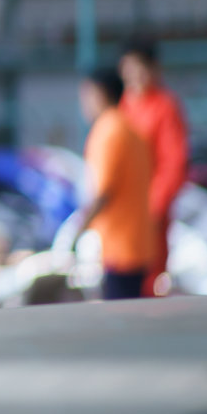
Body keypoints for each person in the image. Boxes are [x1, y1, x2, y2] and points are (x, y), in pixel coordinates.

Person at [117, 38, 189, 296]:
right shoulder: (122, 106)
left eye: (139, 66)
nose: (133, 73)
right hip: (122, 215)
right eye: (128, 66)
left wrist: (154, 208)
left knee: (148, 281)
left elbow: (173, 163)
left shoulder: (164, 107)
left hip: (149, 212)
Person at [75, 67, 154, 300]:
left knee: (121, 320)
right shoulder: (129, 128)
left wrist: (78, 230)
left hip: (119, 248)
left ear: (100, 94)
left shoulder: (108, 131)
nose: (84, 103)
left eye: (87, 95)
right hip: (137, 242)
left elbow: (103, 192)